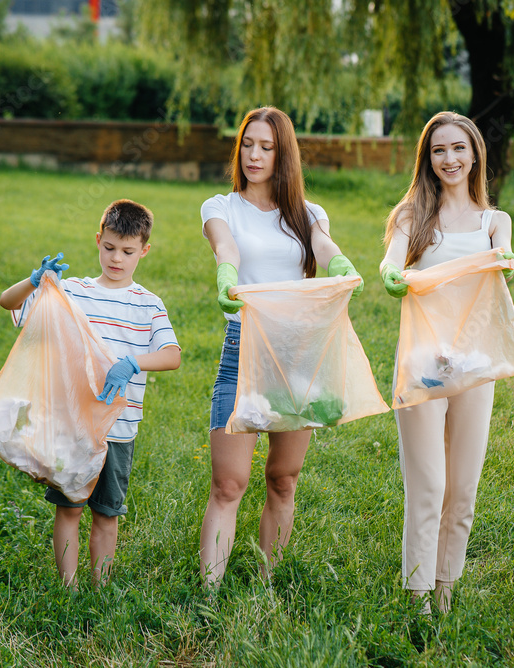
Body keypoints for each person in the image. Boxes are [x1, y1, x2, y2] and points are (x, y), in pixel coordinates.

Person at [199, 106, 363, 587]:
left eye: (266, 146)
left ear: (282, 153)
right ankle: (209, 594)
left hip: (298, 355)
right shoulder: (221, 207)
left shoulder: (309, 214)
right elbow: (225, 247)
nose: (254, 154)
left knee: (283, 479)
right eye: (247, 144)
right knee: (229, 483)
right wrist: (226, 274)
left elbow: (323, 245)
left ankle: (267, 582)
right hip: (244, 347)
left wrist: (339, 265)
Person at [0, 199, 181, 588]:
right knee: (69, 510)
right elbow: (8, 304)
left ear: (144, 251)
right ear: (98, 240)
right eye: (110, 248)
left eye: (128, 252)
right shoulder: (74, 292)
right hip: (74, 426)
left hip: (119, 429)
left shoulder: (148, 304)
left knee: (107, 514)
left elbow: (171, 356)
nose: (117, 258)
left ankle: (99, 589)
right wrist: (35, 282)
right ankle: (68, 589)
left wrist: (132, 361)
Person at [379, 111, 514, 613]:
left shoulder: (493, 222)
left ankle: (444, 593)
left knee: (462, 491)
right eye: (439, 150)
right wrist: (393, 274)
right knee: (428, 488)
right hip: (421, 365)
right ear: (427, 158)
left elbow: (502, 254)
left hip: (474, 370)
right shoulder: (413, 217)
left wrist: (503, 259)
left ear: (475, 153)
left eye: (459, 148)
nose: (449, 159)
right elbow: (392, 261)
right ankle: (415, 598)